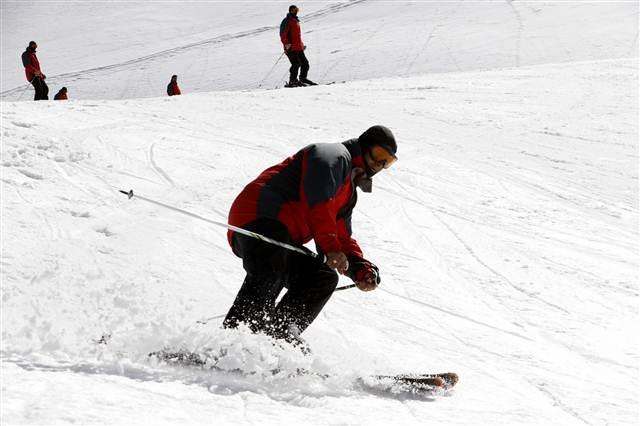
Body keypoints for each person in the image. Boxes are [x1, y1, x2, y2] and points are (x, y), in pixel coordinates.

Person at [223, 125, 398, 348]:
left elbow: (341, 236)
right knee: (271, 267)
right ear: (363, 146)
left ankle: (276, 340)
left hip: (284, 237)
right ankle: (235, 341)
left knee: (321, 278)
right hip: (259, 216)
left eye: (388, 161)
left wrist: (359, 269)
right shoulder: (333, 156)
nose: (380, 164)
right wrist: (329, 246)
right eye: (379, 155)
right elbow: (318, 200)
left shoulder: (348, 192)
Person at [280, 5, 315, 87]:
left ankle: (303, 79)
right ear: (291, 10)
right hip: (290, 48)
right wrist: (286, 43)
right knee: (296, 64)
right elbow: (283, 34)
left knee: (305, 63)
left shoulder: (296, 21)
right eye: (295, 10)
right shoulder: (287, 21)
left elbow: (297, 36)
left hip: (298, 47)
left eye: (297, 10)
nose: (297, 11)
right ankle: (292, 81)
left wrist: (302, 45)